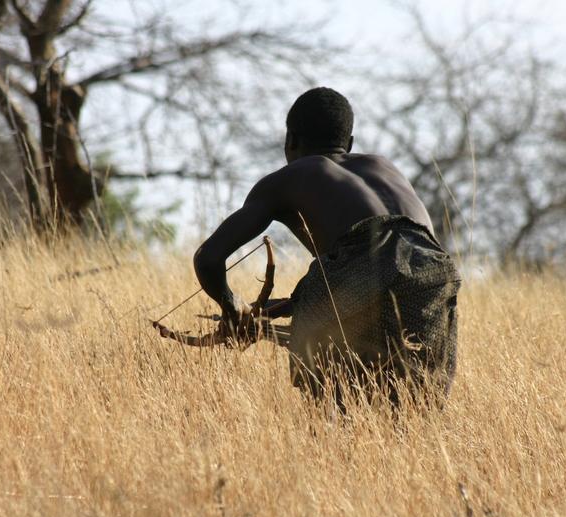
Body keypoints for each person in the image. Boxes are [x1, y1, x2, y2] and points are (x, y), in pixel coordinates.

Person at [193, 87, 461, 408]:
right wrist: (291, 306)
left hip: (365, 263)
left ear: (290, 140)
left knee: (337, 412)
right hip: (435, 274)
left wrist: (233, 308)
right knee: (416, 407)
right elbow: (391, 263)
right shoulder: (386, 167)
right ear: (348, 144)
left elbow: (208, 259)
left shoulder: (289, 177)